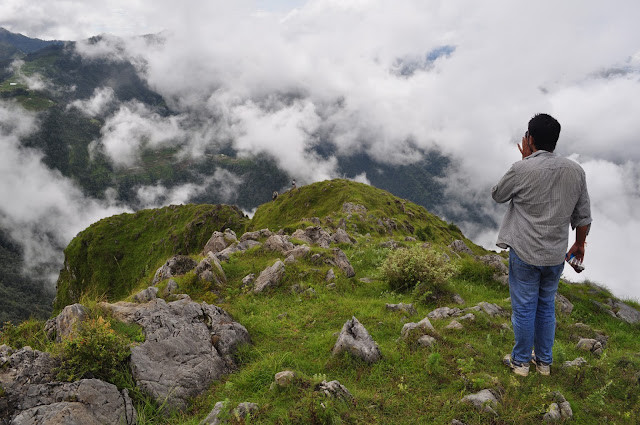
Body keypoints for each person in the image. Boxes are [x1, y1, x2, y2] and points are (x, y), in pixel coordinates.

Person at [491, 113, 592, 377]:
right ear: (555, 141)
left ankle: (521, 363)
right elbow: (583, 216)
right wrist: (580, 244)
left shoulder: (521, 169)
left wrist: (524, 162)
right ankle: (544, 363)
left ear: (529, 139)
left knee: (524, 308)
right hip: (555, 255)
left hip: (525, 252)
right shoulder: (575, 171)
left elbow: (498, 195)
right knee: (546, 306)